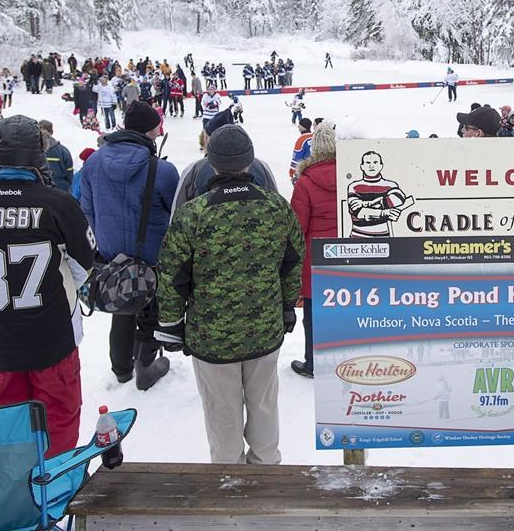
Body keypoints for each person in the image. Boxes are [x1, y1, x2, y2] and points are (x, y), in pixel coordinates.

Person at [0, 116, 94, 455]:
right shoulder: (58, 204)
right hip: (52, 338)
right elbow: (84, 266)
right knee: (58, 419)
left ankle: (17, 492)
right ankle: (55, 491)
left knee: (8, 426)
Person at [156, 125, 303, 464]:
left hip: (212, 337)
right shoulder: (277, 208)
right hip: (264, 328)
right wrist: (285, 307)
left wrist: (170, 323)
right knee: (264, 402)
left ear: (212, 162)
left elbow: (172, 274)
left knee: (222, 409)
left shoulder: (193, 213)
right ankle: (266, 465)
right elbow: (293, 261)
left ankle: (229, 476)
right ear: (249, 163)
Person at [80, 101, 178, 389]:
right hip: (152, 254)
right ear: (151, 130)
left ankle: (121, 367)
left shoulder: (94, 161)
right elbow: (176, 213)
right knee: (149, 304)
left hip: (111, 252)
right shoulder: (161, 169)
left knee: (122, 304)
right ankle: (146, 362)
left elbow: (87, 207)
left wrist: (106, 241)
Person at [289, 121, 337, 379]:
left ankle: (313, 363)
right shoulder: (354, 175)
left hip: (316, 260)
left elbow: (297, 228)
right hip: (351, 256)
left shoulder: (305, 183)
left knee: (313, 316)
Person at [38, 121, 74, 193]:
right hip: (61, 189)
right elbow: (70, 174)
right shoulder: (63, 151)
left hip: (40, 189)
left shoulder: (34, 150)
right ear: (52, 132)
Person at [289, 118, 313, 184]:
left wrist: (292, 172)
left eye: (299, 125)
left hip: (305, 172)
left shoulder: (301, 139)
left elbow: (296, 157)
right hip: (315, 170)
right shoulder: (314, 137)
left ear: (303, 126)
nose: (298, 126)